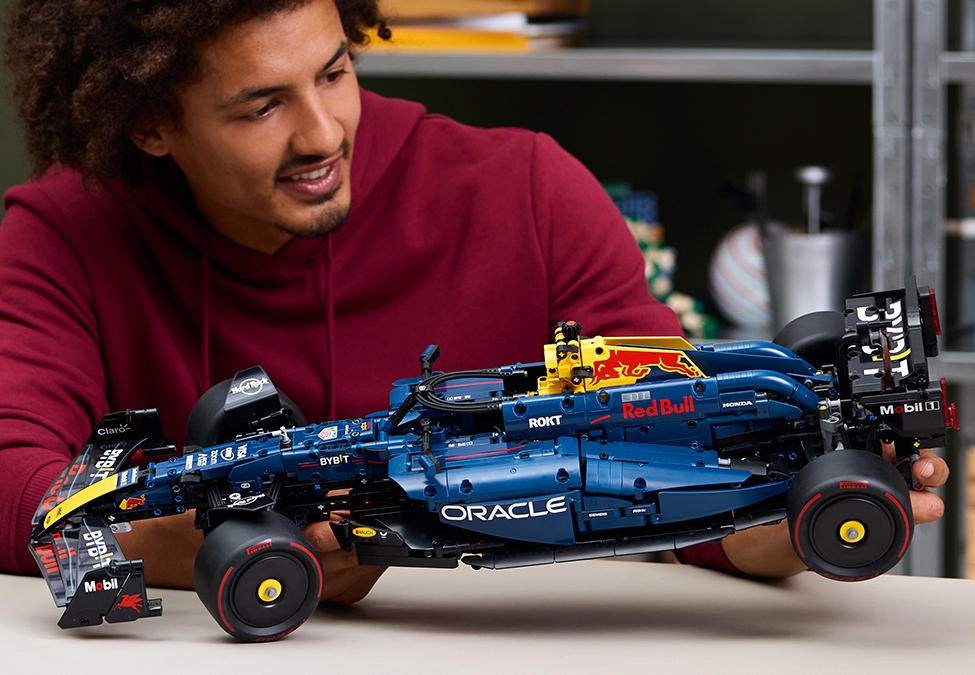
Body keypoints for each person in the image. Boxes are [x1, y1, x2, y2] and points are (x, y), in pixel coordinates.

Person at [0, 0, 948, 604]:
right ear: (152, 125)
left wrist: (794, 515)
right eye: (262, 106)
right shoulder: (61, 232)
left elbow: (670, 460)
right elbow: (15, 480)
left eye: (334, 71)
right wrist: (199, 546)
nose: (324, 133)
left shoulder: (526, 191)